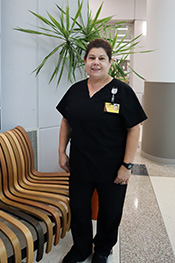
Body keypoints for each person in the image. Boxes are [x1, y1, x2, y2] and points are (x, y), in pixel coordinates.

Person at [56, 38, 147, 263]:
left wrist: (127, 166)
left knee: (110, 211)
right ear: (85, 62)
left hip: (112, 167)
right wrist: (61, 152)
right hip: (80, 164)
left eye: (101, 58)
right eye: (91, 58)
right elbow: (66, 121)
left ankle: (103, 249)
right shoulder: (75, 91)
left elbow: (134, 128)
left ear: (110, 62)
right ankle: (82, 248)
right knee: (79, 209)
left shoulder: (122, 92)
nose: (96, 63)